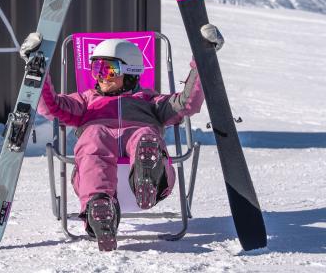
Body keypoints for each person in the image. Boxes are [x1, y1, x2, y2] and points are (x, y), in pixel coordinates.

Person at [19, 24, 224, 251]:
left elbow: (188, 102)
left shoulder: (151, 102)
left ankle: (148, 173)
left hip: (151, 185)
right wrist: (37, 71)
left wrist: (203, 59)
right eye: (96, 69)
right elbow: (51, 106)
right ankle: (100, 209)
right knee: (93, 135)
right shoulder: (85, 102)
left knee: (145, 135)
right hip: (95, 179)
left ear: (130, 73)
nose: (101, 77)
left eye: (108, 70)